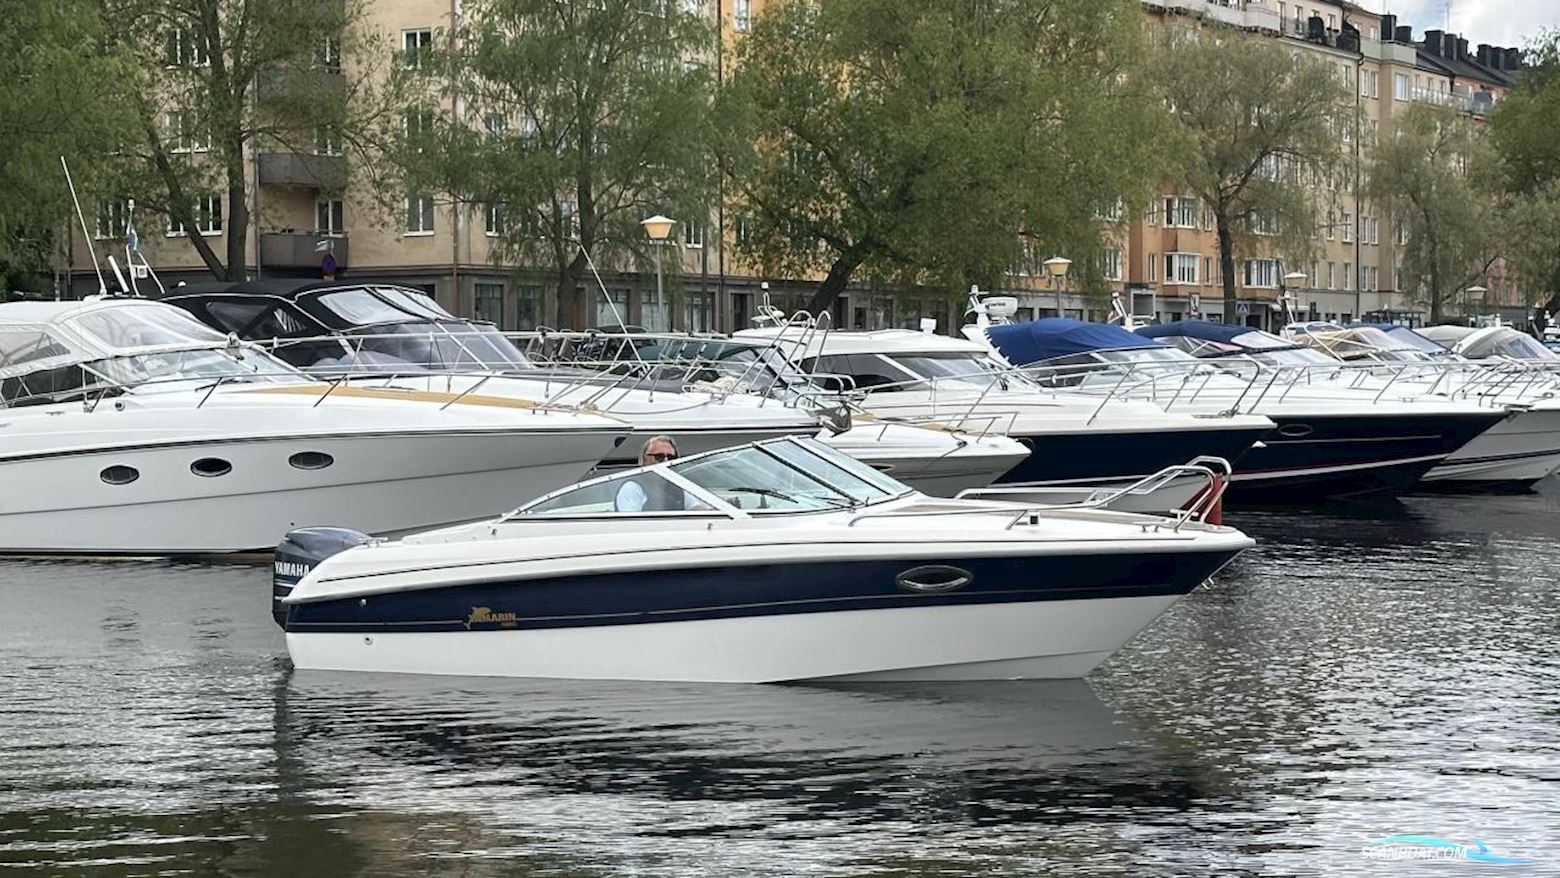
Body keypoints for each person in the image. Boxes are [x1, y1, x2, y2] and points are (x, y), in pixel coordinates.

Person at [614, 435, 695, 512]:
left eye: (671, 458)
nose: (666, 461)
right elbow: (629, 523)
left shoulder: (678, 487)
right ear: (644, 460)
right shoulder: (632, 487)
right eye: (659, 457)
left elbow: (697, 508)